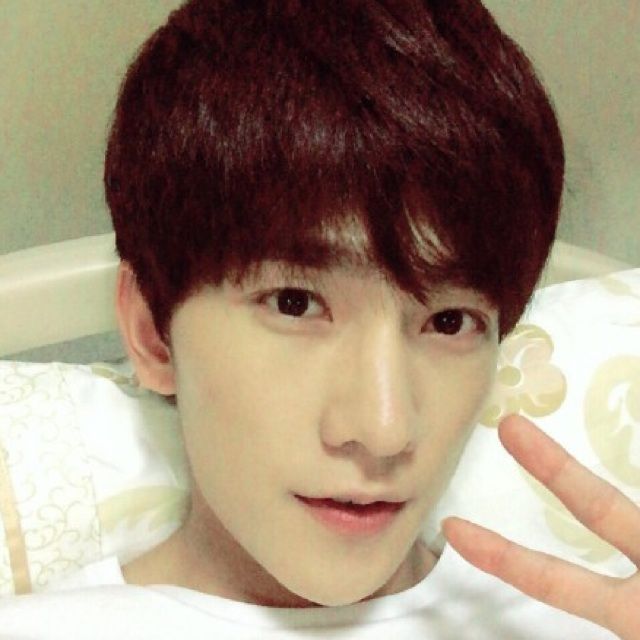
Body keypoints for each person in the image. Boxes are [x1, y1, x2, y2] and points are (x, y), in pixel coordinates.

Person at [0, 1, 636, 638]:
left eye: (449, 322)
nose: (384, 431)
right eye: (295, 304)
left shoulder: (587, 622)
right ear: (152, 335)